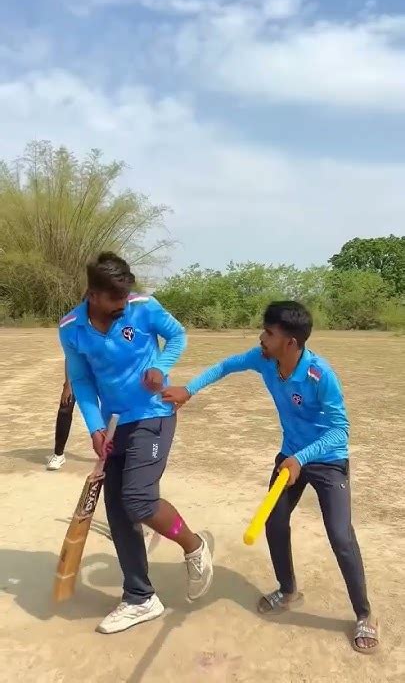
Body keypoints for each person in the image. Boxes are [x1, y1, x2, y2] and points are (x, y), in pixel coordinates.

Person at [162, 301, 379, 654]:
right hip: (290, 455)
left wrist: (302, 458)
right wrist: (190, 389)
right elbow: (226, 365)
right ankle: (287, 587)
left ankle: (364, 614)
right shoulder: (264, 358)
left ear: (290, 342)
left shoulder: (319, 375)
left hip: (326, 460)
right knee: (274, 522)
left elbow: (341, 430)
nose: (262, 338)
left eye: (269, 333)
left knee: (340, 535)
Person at [58, 251, 213, 634]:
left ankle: (194, 547)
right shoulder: (71, 328)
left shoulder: (143, 307)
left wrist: (161, 366)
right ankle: (140, 598)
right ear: (93, 294)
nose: (123, 304)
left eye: (126, 296)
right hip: (113, 423)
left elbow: (177, 335)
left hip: (154, 414)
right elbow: (81, 380)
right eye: (115, 299)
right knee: (119, 511)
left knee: (139, 500)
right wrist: (94, 427)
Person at [46, 360, 75, 470]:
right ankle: (58, 455)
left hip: (101, 375)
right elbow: (70, 357)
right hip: (78, 377)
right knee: (65, 408)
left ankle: (113, 454)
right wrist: (67, 385)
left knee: (111, 410)